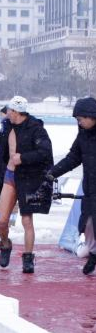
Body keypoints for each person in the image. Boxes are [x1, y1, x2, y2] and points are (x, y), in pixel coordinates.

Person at [0, 97, 52, 274]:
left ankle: (28, 257)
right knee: (2, 221)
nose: (6, 113)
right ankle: (5, 244)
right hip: (10, 175)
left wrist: (23, 158)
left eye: (9, 110)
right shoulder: (8, 126)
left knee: (27, 220)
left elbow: (45, 152)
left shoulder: (36, 129)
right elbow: (1, 142)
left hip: (28, 178)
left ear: (16, 112)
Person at [46, 96, 96, 274]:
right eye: (77, 120)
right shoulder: (83, 135)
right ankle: (93, 253)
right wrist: (52, 173)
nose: (79, 122)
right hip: (90, 188)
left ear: (92, 116)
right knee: (88, 224)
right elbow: (73, 157)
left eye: (81, 119)